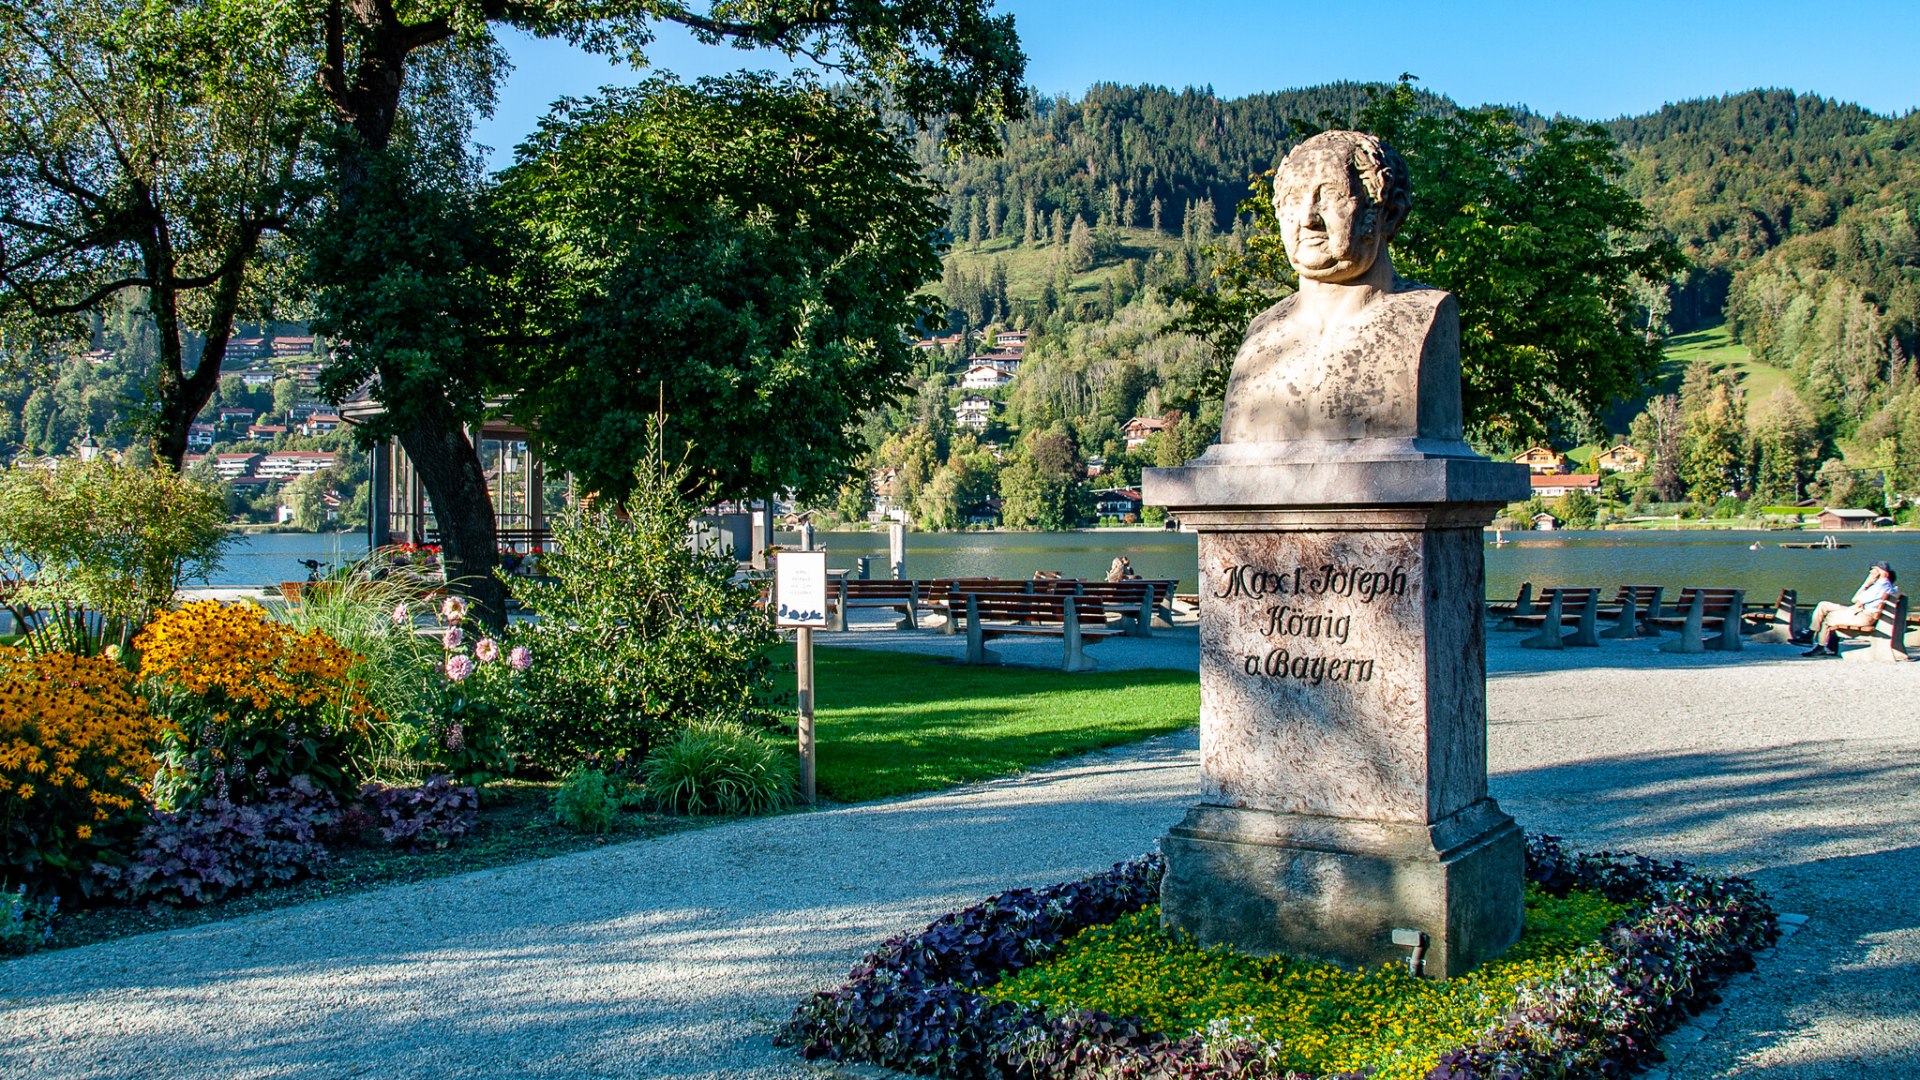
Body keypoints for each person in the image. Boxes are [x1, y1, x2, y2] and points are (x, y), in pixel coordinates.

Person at [1800, 561, 1897, 656]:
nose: (1871, 572)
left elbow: (1854, 599)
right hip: (1860, 611)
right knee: (1823, 605)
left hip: (1863, 616)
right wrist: (1860, 602)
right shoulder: (1885, 585)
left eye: (1873, 570)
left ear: (1881, 572)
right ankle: (1811, 634)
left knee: (1828, 618)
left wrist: (1866, 584)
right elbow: (1858, 602)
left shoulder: (1879, 586)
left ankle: (1819, 646)